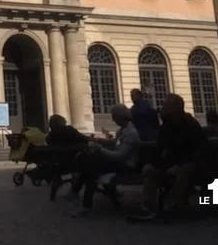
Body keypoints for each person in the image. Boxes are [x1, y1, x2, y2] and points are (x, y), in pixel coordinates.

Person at [131, 93, 207, 222]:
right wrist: (152, 164)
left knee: (184, 171)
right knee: (150, 171)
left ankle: (171, 207)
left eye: (166, 105)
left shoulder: (190, 124)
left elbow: (198, 151)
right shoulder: (167, 126)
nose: (162, 107)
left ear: (176, 108)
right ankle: (147, 207)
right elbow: (160, 150)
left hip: (192, 165)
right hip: (173, 164)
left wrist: (178, 165)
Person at [68, 104, 140, 217]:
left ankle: (79, 197)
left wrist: (100, 150)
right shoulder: (124, 130)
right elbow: (115, 144)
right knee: (90, 167)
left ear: (120, 117)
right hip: (119, 163)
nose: (112, 119)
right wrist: (100, 141)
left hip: (126, 166)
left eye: (114, 117)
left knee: (90, 169)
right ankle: (83, 201)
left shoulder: (130, 133)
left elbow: (120, 156)